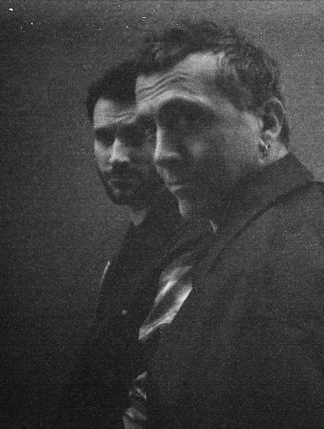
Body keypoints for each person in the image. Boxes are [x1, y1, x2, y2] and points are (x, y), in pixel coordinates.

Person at [128, 21, 324, 427]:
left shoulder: (288, 246)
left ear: (267, 124)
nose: (161, 154)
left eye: (187, 119)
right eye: (151, 128)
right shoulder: (274, 221)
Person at [54, 60, 213, 428]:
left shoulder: (190, 241)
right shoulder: (130, 246)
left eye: (135, 136)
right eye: (104, 138)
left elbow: (157, 398)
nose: (117, 157)